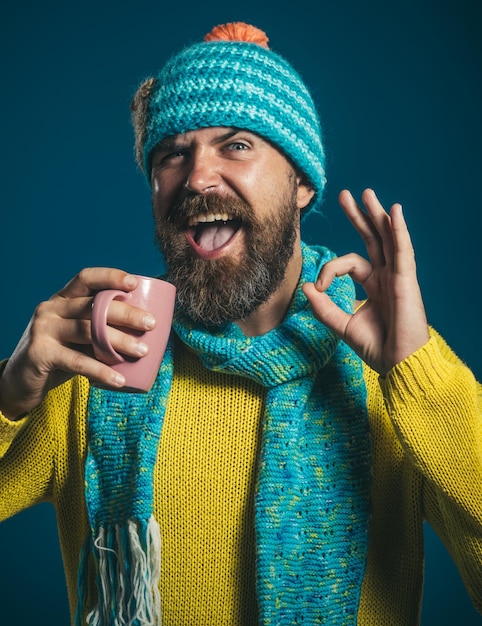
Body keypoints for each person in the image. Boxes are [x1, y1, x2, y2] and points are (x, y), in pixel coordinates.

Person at [0, 20, 481, 626]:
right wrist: (9, 398)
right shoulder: (97, 366)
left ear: (302, 183)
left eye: (237, 145)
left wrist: (423, 376)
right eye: (173, 152)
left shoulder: (394, 378)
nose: (197, 177)